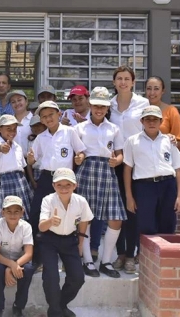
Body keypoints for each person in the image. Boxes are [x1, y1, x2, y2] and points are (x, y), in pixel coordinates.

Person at [73, 87, 126, 278]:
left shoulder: (114, 128)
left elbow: (120, 154)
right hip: (87, 170)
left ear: (107, 108)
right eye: (96, 105)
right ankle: (87, 260)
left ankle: (106, 261)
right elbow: (76, 153)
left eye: (103, 106)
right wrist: (78, 158)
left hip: (107, 170)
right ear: (90, 104)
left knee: (115, 217)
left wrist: (117, 161)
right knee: (85, 217)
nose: (99, 109)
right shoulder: (79, 128)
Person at [27, 101, 86, 251]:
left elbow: (81, 151)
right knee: (37, 213)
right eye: (44, 116)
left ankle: (72, 251)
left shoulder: (69, 131)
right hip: (46, 178)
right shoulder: (41, 137)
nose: (48, 119)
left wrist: (79, 157)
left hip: (65, 179)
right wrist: (30, 159)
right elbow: (32, 159)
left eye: (51, 115)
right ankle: (39, 253)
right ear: (41, 120)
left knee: (70, 213)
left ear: (59, 114)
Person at [108, 66, 149, 274]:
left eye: (127, 79)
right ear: (114, 82)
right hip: (114, 163)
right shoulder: (108, 105)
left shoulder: (142, 103)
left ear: (133, 82)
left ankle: (132, 255)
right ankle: (120, 253)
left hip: (135, 162)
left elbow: (149, 129)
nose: (123, 82)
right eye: (119, 79)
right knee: (116, 210)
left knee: (132, 209)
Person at [38, 168, 93, 317]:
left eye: (67, 185)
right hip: (49, 239)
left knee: (77, 278)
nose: (63, 188)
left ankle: (59, 305)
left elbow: (84, 221)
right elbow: (41, 227)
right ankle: (55, 312)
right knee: (51, 277)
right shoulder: (48, 200)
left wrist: (80, 244)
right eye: (59, 185)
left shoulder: (80, 201)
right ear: (53, 185)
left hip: (70, 240)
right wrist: (50, 221)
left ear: (75, 185)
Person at [123, 106, 180, 236]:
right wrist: (129, 196)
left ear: (161, 122)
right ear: (142, 121)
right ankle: (146, 256)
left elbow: (177, 168)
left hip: (167, 185)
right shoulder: (132, 141)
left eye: (155, 119)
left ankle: (166, 255)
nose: (151, 122)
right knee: (146, 226)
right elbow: (127, 169)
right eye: (148, 119)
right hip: (144, 187)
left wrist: (179, 196)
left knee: (167, 225)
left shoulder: (168, 141)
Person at [0, 196, 35, 317]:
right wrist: (10, 265)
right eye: (8, 211)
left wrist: (12, 268)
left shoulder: (26, 227)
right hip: (2, 259)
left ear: (22, 212)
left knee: (29, 269)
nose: (13, 215)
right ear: (2, 212)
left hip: (19, 260)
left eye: (16, 211)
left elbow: (29, 253)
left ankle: (18, 306)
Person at [0, 114, 33, 222]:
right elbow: (0, 149)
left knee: (22, 213)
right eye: (8, 129)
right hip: (6, 181)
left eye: (14, 129)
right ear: (0, 129)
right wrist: (2, 148)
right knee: (7, 214)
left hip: (20, 181)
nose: (12, 132)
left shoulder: (18, 146)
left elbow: (22, 167)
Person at [145, 76, 180, 150]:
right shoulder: (138, 110)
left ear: (163, 91)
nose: (152, 92)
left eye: (156, 89)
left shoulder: (171, 111)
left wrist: (169, 141)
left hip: (163, 158)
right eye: (149, 88)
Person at [7, 90, 33, 155]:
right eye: (13, 102)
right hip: (14, 161)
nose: (17, 103)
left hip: (32, 161)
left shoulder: (34, 119)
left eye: (19, 100)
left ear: (26, 101)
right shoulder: (8, 122)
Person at [26, 114, 46, 190]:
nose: (36, 128)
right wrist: (32, 181)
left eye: (38, 125)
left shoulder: (51, 139)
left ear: (44, 125)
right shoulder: (31, 142)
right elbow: (29, 164)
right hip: (36, 173)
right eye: (33, 126)